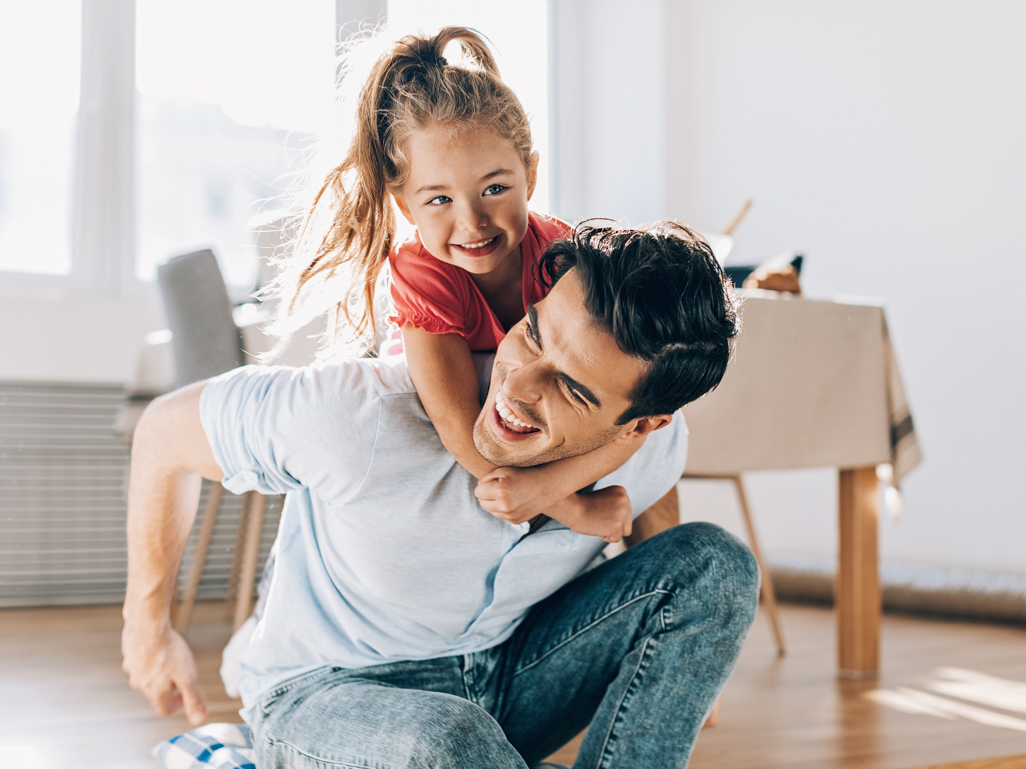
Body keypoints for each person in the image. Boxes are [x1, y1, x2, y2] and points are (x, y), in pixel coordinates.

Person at [122, 222, 758, 768]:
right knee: (450, 740)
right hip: (324, 693)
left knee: (718, 562)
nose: (519, 386)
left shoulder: (654, 445)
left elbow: (661, 509)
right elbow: (161, 435)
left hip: (506, 677)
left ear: (641, 425)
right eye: (533, 333)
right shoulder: (359, 415)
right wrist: (146, 628)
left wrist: (682, 655)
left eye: (572, 389)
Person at [273, 27, 639, 543]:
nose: (472, 222)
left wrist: (559, 482)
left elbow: (630, 397)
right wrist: (571, 508)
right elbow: (460, 429)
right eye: (439, 200)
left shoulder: (562, 254)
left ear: (530, 177)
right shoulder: (421, 270)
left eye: (495, 188)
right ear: (405, 206)